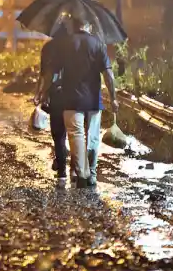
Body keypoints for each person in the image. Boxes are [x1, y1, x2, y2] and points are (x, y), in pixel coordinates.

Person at [49, 15, 117, 188]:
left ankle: (82, 174)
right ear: (89, 25)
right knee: (93, 137)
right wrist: (113, 98)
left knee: (76, 136)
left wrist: (46, 92)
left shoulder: (65, 44)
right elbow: (108, 75)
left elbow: (54, 73)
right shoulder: (98, 43)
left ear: (73, 24)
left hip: (71, 99)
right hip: (94, 99)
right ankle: (92, 173)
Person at [36, 22, 70, 183]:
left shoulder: (48, 48)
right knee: (75, 132)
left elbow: (44, 74)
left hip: (56, 93)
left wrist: (40, 93)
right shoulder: (75, 46)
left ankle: (62, 169)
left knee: (58, 133)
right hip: (75, 94)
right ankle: (76, 169)